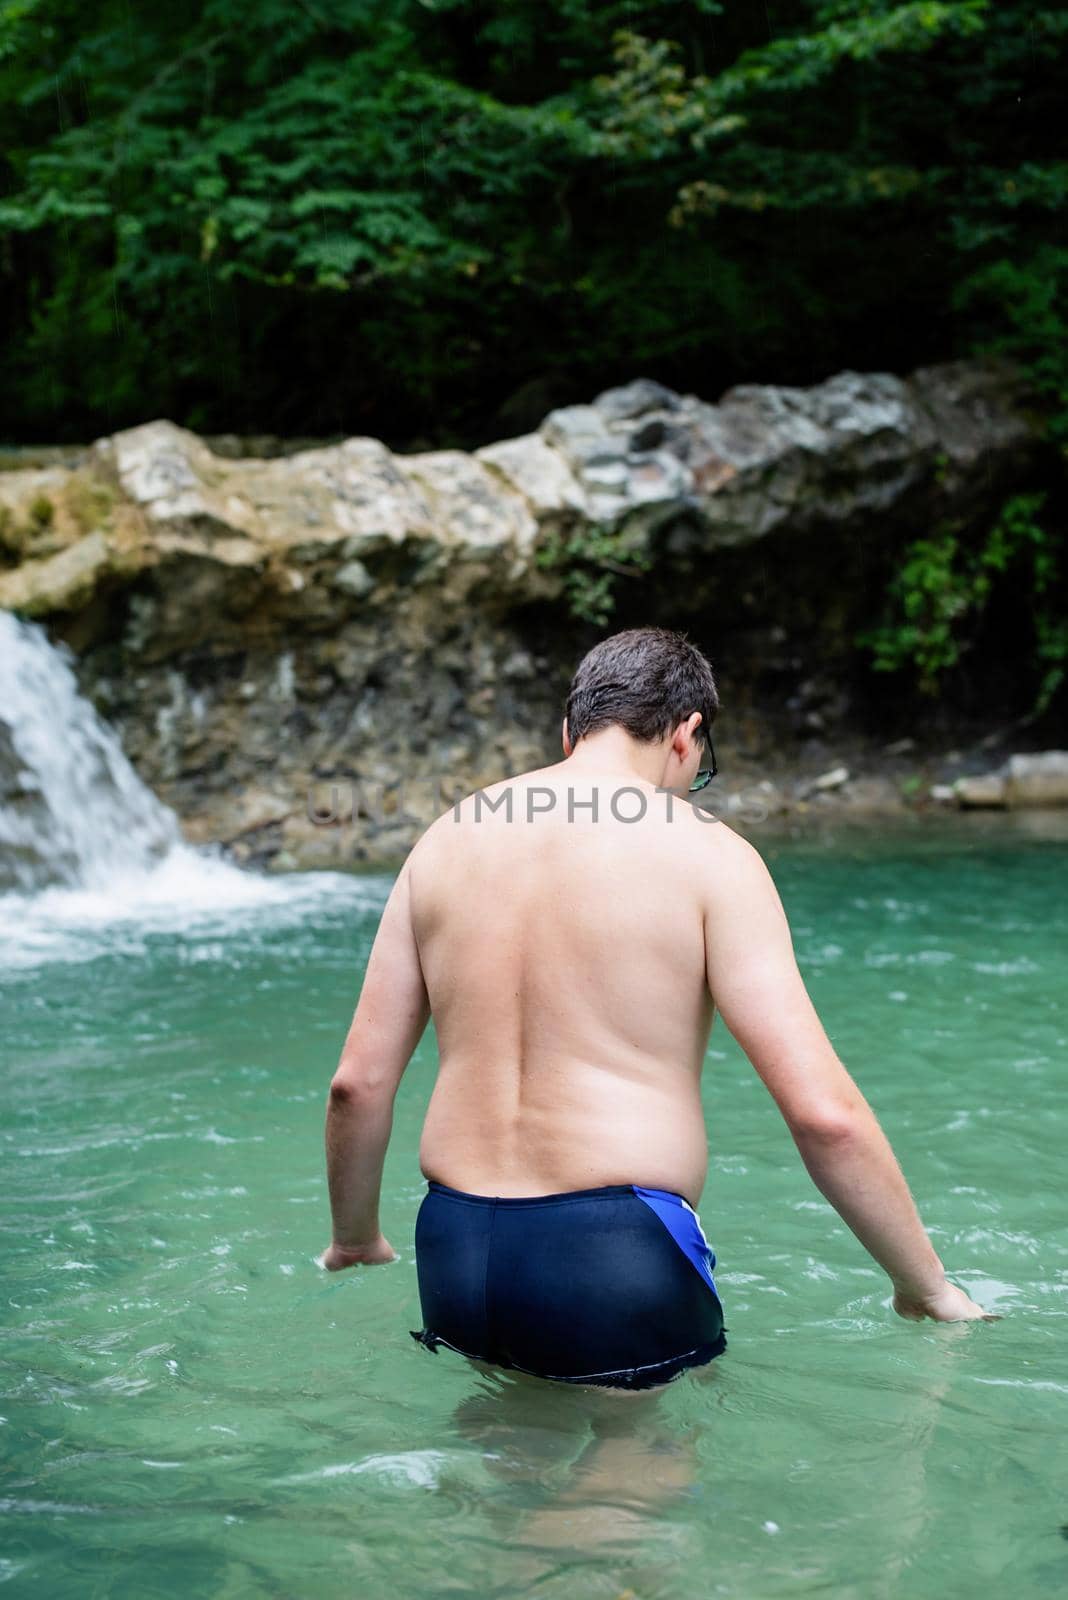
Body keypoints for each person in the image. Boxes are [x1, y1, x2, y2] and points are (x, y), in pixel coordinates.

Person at [319, 626, 988, 1392]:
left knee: (501, 1473)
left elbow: (357, 1084)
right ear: (686, 735)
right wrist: (925, 1285)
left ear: (571, 731)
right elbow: (822, 1114)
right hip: (614, 1248)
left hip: (456, 1241)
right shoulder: (708, 854)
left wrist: (354, 1237)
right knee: (629, 1494)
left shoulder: (443, 840)